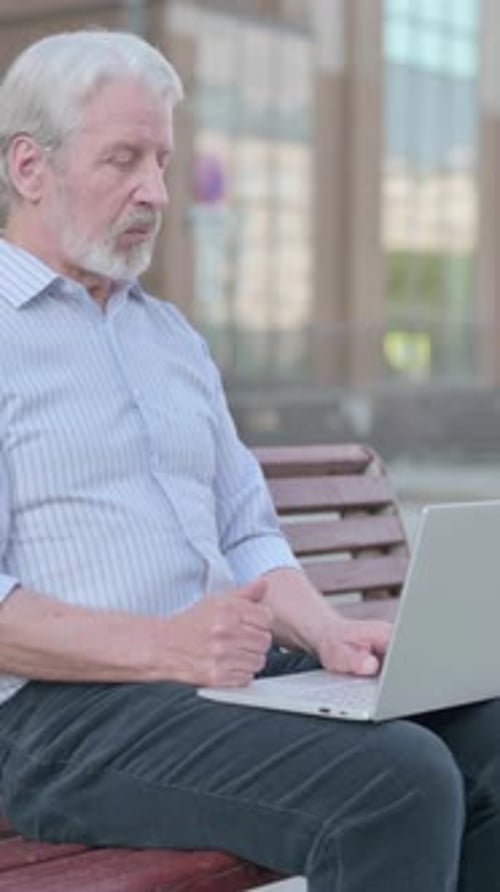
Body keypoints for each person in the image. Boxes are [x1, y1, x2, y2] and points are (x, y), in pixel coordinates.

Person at [0, 29, 498, 892]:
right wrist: (164, 646)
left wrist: (329, 633)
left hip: (219, 682)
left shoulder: (171, 337)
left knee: (489, 735)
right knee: (396, 783)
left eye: (162, 160)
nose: (154, 191)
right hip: (57, 716)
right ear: (29, 167)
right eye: (123, 159)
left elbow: (248, 530)